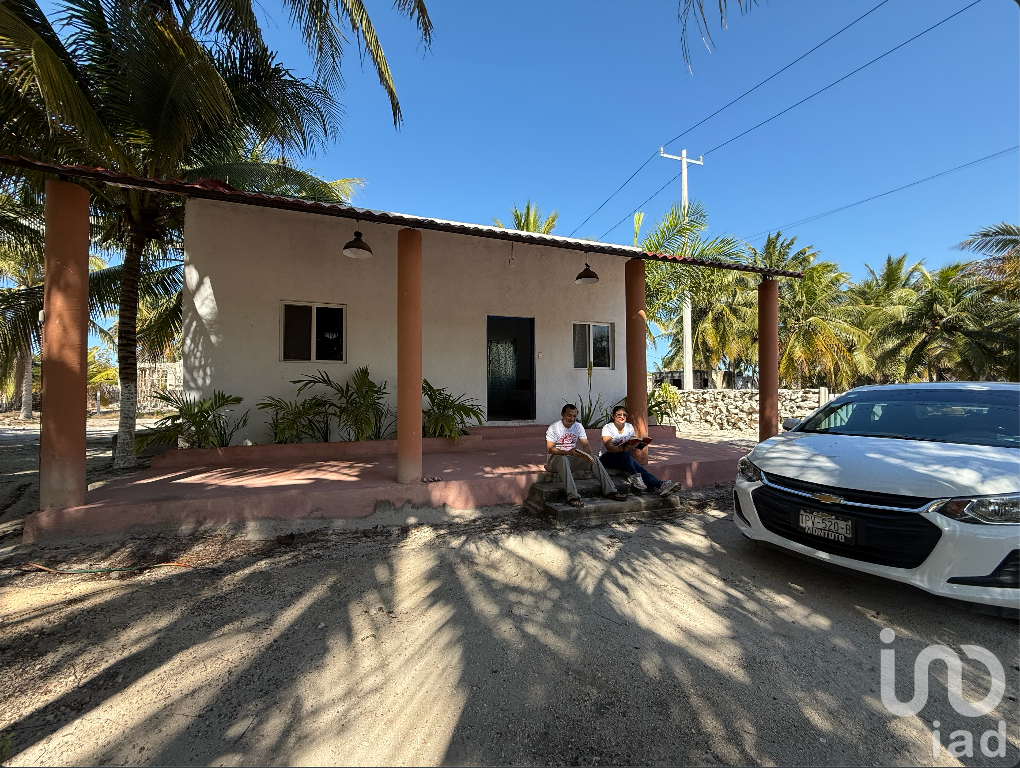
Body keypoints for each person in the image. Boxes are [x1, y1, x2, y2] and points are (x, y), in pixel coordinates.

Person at [546, 404, 628, 508]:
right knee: (563, 459)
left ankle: (610, 491)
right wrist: (568, 452)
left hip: (572, 458)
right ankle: (573, 496)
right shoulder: (554, 427)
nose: (572, 419)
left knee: (595, 459)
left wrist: (589, 455)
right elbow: (551, 449)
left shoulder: (578, 426)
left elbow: (585, 444)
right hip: (555, 460)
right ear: (562, 415)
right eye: (569, 416)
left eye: (574, 416)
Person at [599, 405, 679, 497]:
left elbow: (632, 443)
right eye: (619, 415)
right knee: (627, 454)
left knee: (638, 467)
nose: (622, 417)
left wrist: (638, 444)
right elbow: (609, 447)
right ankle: (637, 476)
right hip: (607, 458)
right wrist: (625, 448)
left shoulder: (629, 427)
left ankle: (660, 485)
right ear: (613, 416)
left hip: (623, 458)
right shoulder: (608, 428)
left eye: (624, 415)